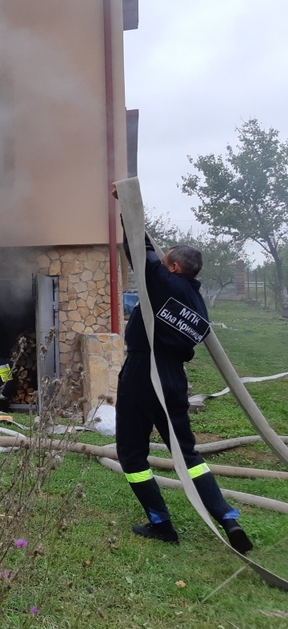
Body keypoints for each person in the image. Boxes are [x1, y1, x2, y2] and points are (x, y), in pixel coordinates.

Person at [115, 207, 252, 552]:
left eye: (165, 260)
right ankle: (228, 518)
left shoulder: (164, 282)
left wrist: (126, 205)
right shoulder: (197, 303)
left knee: (132, 456)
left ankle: (161, 524)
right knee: (188, 454)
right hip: (175, 377)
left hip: (143, 372)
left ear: (175, 267)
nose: (160, 263)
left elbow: (136, 246)